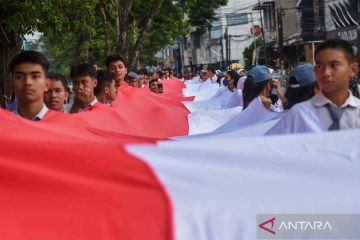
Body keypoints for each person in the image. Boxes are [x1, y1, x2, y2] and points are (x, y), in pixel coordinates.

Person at [267, 39, 360, 134]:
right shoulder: (298, 114)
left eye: (334, 65)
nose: (326, 73)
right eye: (320, 66)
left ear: (353, 69)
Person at [9, 51, 51, 121]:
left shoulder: (62, 124)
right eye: (19, 77)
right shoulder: (4, 124)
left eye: (35, 76)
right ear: (11, 84)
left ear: (47, 84)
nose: (27, 82)